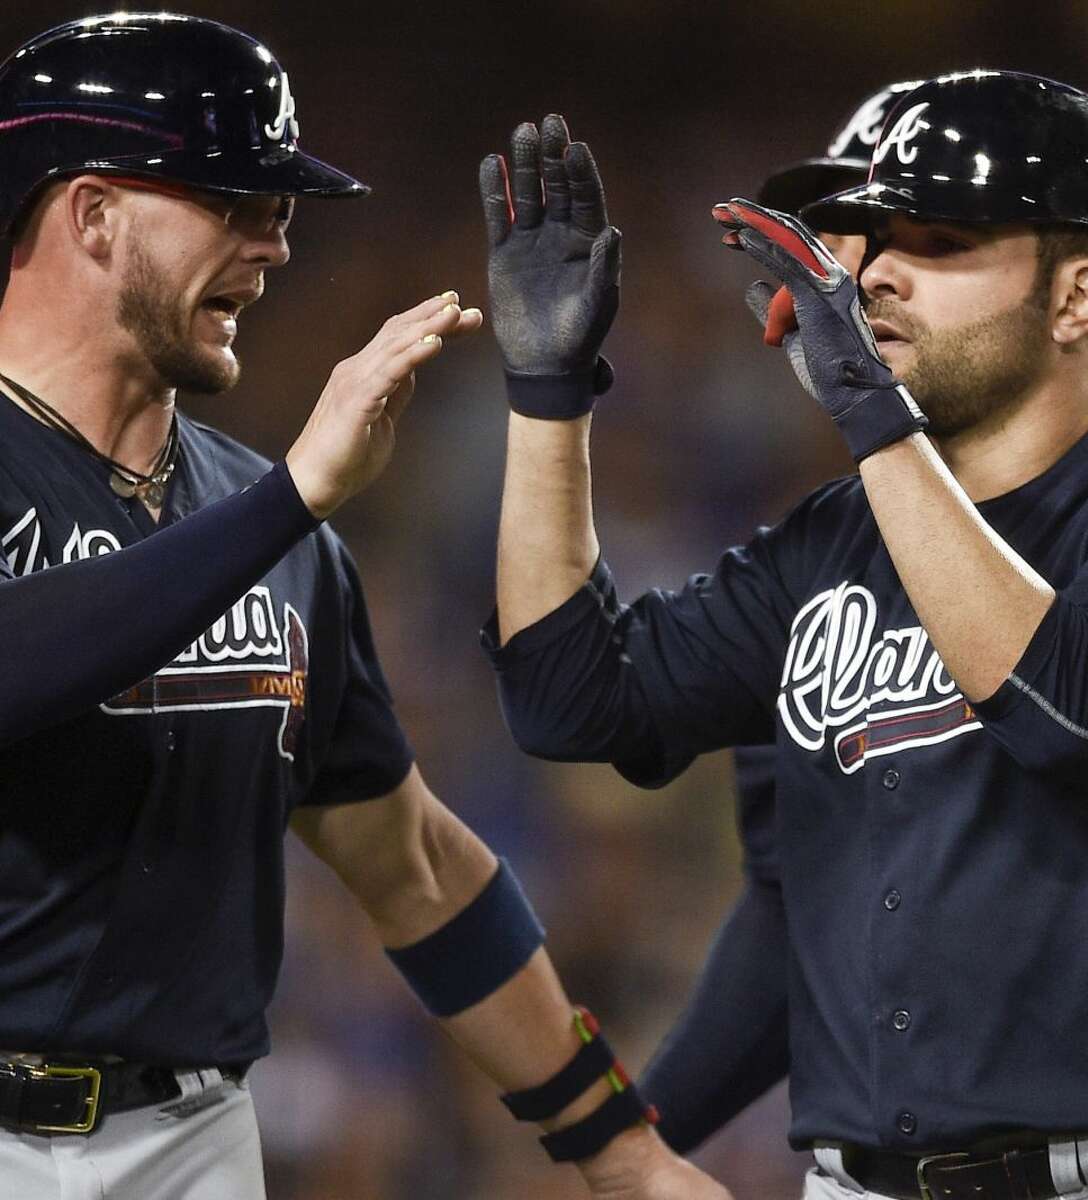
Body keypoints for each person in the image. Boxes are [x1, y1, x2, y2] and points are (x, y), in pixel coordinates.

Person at [481, 69, 1088, 1198]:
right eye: (867, 237)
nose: (871, 273)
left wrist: (872, 413)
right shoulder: (828, 544)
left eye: (937, 237)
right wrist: (548, 395)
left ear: (1077, 299)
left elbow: (1076, 713)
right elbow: (571, 699)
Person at [0, 15, 727, 1200]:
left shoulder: (268, 523)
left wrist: (621, 1149)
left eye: (279, 212)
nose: (274, 246)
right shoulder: (272, 515)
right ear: (93, 213)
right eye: (234, 202)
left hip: (196, 1138)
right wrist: (291, 498)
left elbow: (417, 866)